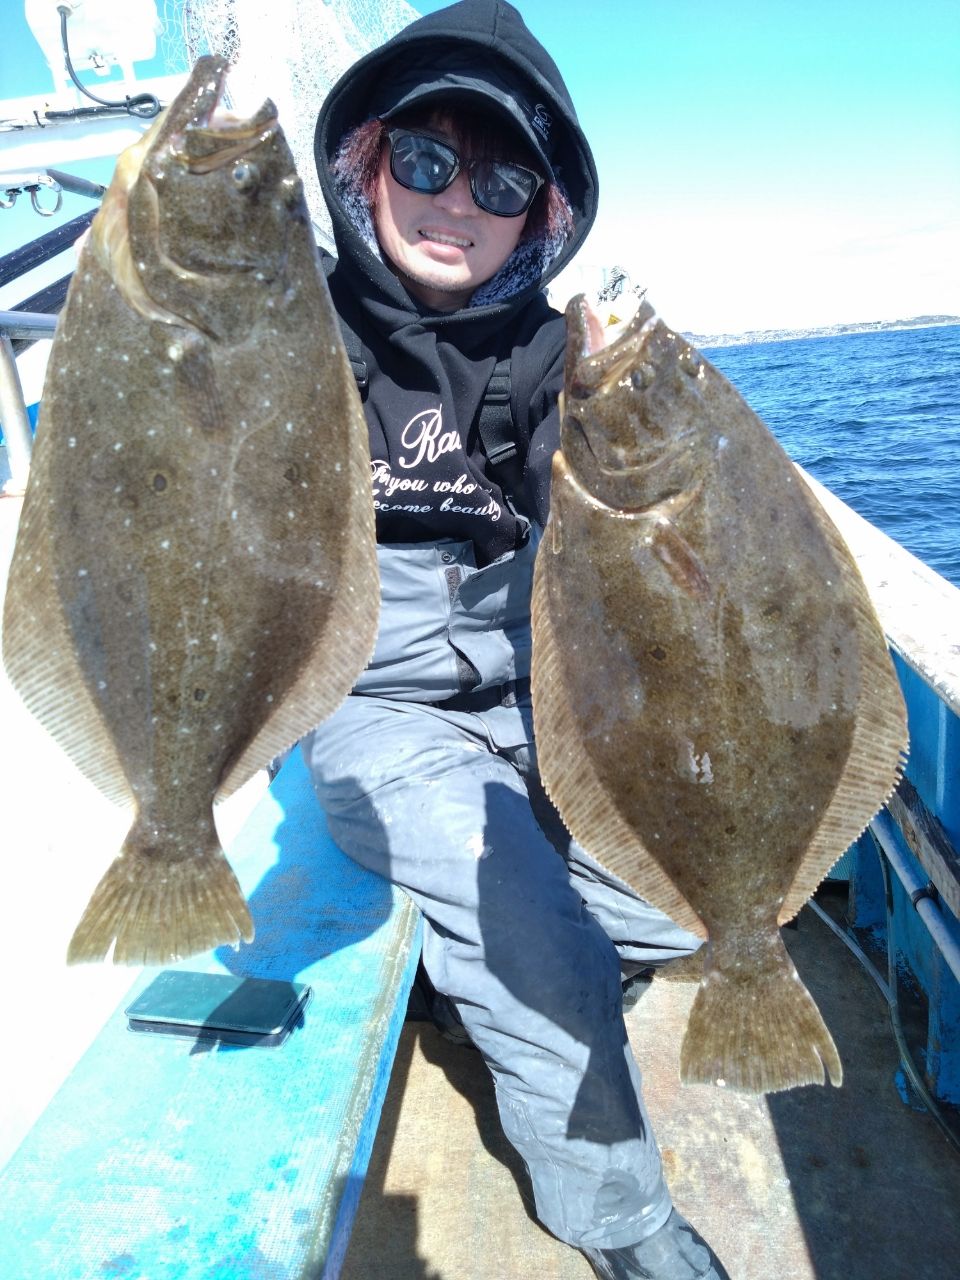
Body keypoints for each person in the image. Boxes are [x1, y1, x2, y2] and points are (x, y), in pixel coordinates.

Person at [303, 3, 730, 1277]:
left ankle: (492, 972)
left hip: (536, 694)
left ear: (541, 210)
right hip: (374, 703)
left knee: (701, 889)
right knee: (535, 930)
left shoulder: (561, 357)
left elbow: (663, 534)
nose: (455, 203)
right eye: (424, 164)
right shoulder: (290, 331)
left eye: (498, 180)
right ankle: (620, 1213)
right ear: (367, 160)